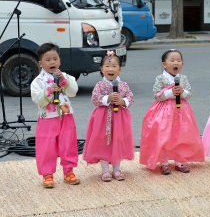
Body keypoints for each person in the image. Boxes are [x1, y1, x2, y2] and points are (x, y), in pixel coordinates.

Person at [140, 49, 204, 175]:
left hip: (182, 111)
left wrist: (183, 92)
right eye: (172, 60)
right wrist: (170, 93)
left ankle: (180, 161)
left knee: (181, 135)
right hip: (165, 111)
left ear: (182, 64)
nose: (176, 63)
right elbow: (157, 94)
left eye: (179, 60)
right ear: (164, 64)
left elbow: (189, 94)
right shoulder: (161, 78)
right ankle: (163, 162)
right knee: (163, 136)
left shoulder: (183, 78)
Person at [30, 43, 80, 188]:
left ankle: (69, 171)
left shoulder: (65, 76)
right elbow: (37, 99)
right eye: (48, 60)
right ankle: (47, 174)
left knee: (68, 144)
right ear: (40, 63)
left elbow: (73, 92)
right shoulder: (38, 82)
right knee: (46, 147)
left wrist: (65, 82)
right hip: (47, 118)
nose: (52, 62)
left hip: (66, 115)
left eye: (55, 59)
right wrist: (48, 91)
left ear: (59, 60)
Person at [82, 51, 135, 181]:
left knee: (118, 140)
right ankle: (105, 169)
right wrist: (107, 98)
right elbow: (95, 99)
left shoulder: (123, 85)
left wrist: (123, 101)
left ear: (119, 69)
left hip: (119, 118)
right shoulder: (100, 85)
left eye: (114, 66)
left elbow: (130, 97)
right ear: (102, 69)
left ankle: (117, 168)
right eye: (107, 66)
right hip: (103, 118)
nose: (110, 69)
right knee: (103, 141)